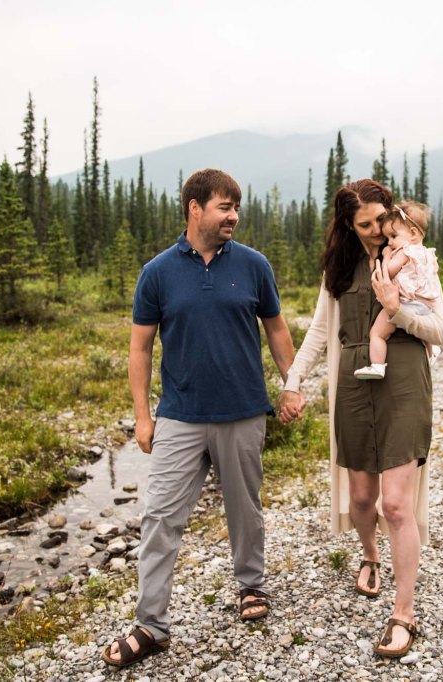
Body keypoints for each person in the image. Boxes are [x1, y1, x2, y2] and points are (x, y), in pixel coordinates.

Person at [102, 168, 295, 668]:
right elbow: (140, 349)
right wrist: (143, 417)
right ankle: (151, 625)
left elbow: (276, 329)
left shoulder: (253, 265)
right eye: (224, 206)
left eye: (236, 207)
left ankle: (251, 586)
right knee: (161, 516)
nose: (234, 215)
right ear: (194, 208)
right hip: (180, 417)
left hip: (243, 411)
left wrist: (291, 384)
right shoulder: (158, 272)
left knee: (244, 510)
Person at [278, 179, 443, 658]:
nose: (377, 232)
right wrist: (293, 382)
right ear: (349, 227)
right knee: (360, 498)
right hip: (354, 381)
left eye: (381, 220)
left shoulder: (415, 258)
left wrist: (399, 311)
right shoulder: (338, 269)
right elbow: (318, 332)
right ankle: (370, 556)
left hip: (405, 379)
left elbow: (440, 328)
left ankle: (404, 614)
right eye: (365, 225)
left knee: (396, 505)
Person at [354, 201, 442, 380]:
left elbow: (388, 271)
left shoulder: (405, 252)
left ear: (413, 234)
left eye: (393, 236)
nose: (390, 242)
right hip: (425, 305)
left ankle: (377, 366)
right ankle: (431, 353)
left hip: (406, 303)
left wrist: (386, 256)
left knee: (377, 333)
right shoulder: (426, 253)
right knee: (424, 333)